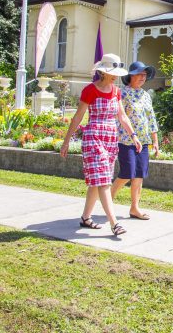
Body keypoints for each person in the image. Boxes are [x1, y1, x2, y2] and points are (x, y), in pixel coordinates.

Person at [60, 53, 142, 236]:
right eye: (111, 72)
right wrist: (66, 142)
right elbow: (78, 116)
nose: (115, 76)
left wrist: (133, 136)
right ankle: (115, 224)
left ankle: (85, 218)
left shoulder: (116, 91)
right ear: (103, 72)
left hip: (110, 138)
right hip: (94, 137)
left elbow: (122, 116)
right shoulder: (90, 90)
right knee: (104, 180)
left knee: (97, 181)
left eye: (117, 73)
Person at [110, 61, 160, 220]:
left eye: (145, 75)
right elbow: (118, 117)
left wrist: (155, 141)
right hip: (125, 140)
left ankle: (134, 208)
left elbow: (151, 118)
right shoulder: (121, 93)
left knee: (139, 174)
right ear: (130, 76)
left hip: (144, 141)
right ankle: (107, 200)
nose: (142, 77)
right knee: (126, 173)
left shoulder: (146, 95)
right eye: (139, 74)